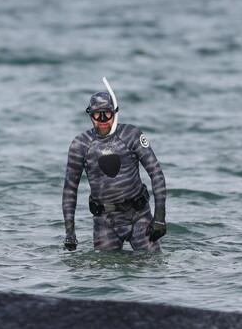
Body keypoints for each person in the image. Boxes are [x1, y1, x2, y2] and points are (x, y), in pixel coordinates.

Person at [62, 88, 167, 251]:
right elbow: (70, 190)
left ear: (115, 113)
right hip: (105, 222)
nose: (102, 119)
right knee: (105, 273)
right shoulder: (81, 145)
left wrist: (159, 218)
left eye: (107, 114)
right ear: (90, 115)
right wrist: (70, 232)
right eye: (97, 115)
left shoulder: (131, 135)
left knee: (154, 268)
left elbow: (156, 174)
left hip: (139, 217)